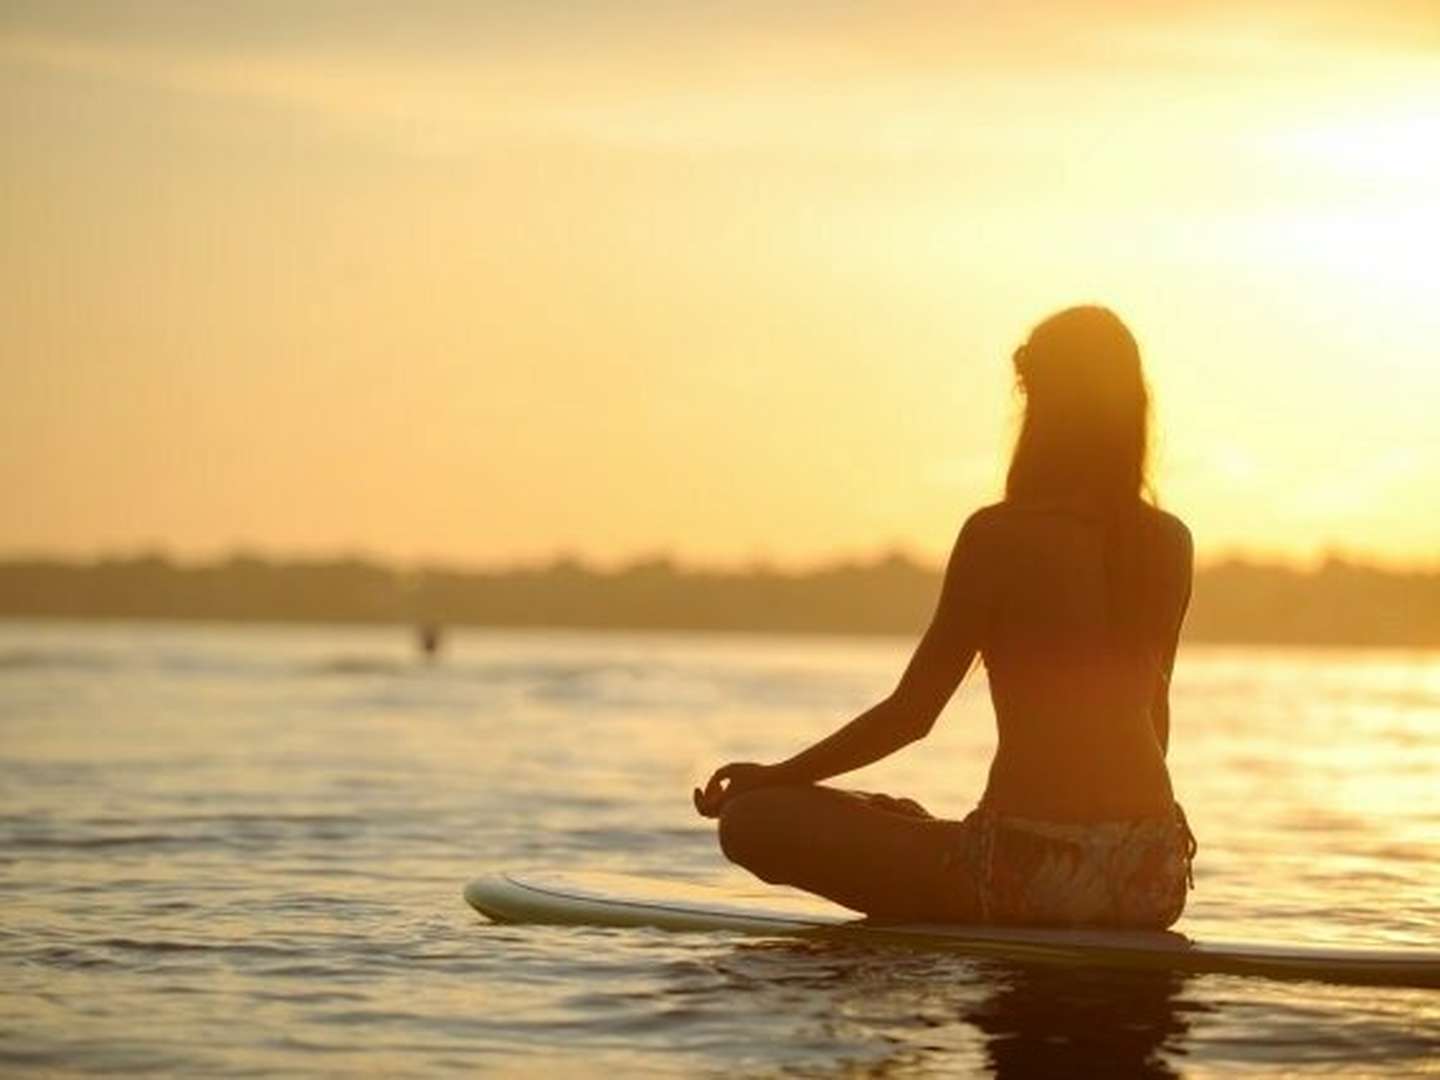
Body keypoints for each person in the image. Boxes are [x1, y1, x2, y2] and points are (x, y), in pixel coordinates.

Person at [693, 306, 1196, 929]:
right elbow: (1155, 711)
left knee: (754, 820)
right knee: (900, 821)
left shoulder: (998, 535)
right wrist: (1129, 836)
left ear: (1043, 408)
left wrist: (776, 776)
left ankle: (930, 858)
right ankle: (920, 834)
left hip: (1021, 876)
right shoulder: (1168, 542)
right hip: (1151, 877)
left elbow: (912, 715)